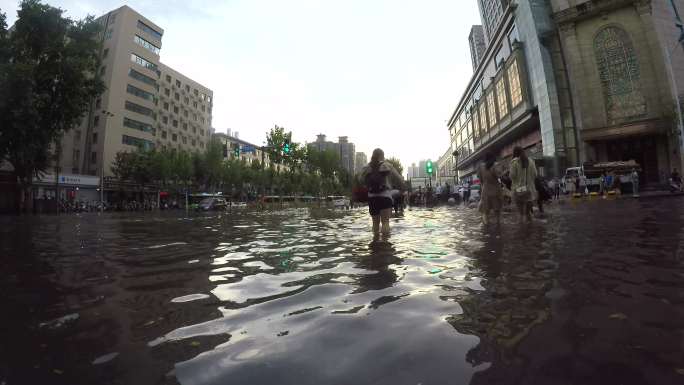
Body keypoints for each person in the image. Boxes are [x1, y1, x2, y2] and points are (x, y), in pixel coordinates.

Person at [361, 148, 404, 242]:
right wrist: (401, 187)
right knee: (385, 222)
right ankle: (385, 245)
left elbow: (360, 179)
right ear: (382, 156)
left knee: (375, 224)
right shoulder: (387, 165)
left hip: (372, 197)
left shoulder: (367, 167)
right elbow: (399, 178)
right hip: (385, 196)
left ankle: (375, 243)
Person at [510, 146, 537, 222]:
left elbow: (512, 176)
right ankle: (531, 230)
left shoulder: (514, 162)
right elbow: (535, 174)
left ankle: (523, 231)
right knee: (528, 213)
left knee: (522, 214)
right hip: (529, 190)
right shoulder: (531, 161)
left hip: (518, 190)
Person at [477, 152, 503, 225]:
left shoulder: (480, 167)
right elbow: (499, 176)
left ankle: (486, 228)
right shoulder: (496, 165)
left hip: (485, 191)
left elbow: (480, 179)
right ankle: (498, 227)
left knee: (485, 212)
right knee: (497, 211)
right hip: (496, 190)